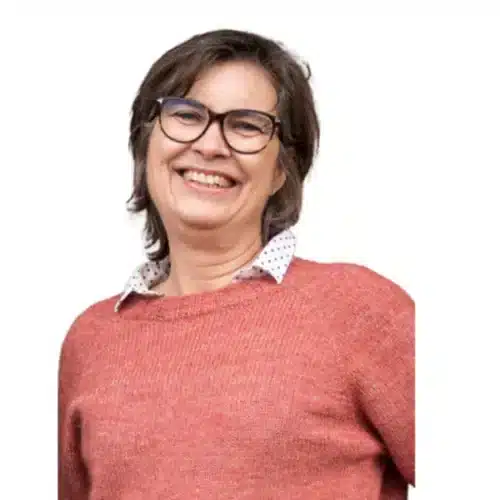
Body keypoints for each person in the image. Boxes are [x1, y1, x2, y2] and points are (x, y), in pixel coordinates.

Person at [58, 28, 415, 499]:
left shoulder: (360, 311)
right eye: (186, 115)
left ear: (282, 169)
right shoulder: (90, 341)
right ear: (146, 144)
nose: (210, 145)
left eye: (246, 126)